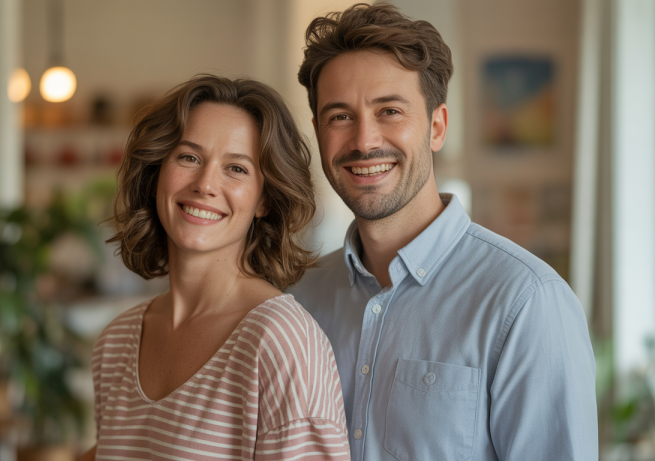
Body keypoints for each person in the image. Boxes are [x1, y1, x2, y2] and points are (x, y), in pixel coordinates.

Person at [287, 3, 598, 460]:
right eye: (340, 116)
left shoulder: (528, 302)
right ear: (317, 131)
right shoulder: (299, 301)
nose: (364, 140)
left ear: (437, 126)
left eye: (389, 110)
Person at [81, 75, 350, 460]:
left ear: (264, 200)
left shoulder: (280, 342)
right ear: (157, 171)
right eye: (189, 157)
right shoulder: (116, 342)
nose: (205, 184)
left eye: (237, 168)